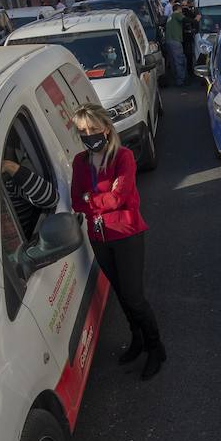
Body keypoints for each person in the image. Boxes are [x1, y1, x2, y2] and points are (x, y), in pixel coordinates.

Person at [70, 103, 165, 380]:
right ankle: (137, 338)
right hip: (99, 237)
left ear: (106, 129)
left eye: (92, 129)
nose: (88, 135)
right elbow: (77, 200)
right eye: (82, 131)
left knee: (134, 297)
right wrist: (96, 200)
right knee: (122, 296)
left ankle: (155, 346)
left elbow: (118, 198)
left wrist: (92, 199)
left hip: (126, 234)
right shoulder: (80, 162)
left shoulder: (123, 157)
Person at [164, 4, 187, 86]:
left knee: (173, 61)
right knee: (179, 61)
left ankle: (176, 79)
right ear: (178, 9)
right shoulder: (177, 14)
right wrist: (196, 19)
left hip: (168, 41)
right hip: (175, 41)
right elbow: (185, 20)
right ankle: (181, 81)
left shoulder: (170, 17)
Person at [180, 0, 198, 77]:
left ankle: (189, 71)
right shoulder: (179, 14)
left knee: (189, 55)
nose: (184, 7)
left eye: (185, 5)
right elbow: (194, 20)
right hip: (181, 37)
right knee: (182, 56)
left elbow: (195, 20)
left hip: (188, 37)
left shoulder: (189, 12)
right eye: (183, 6)